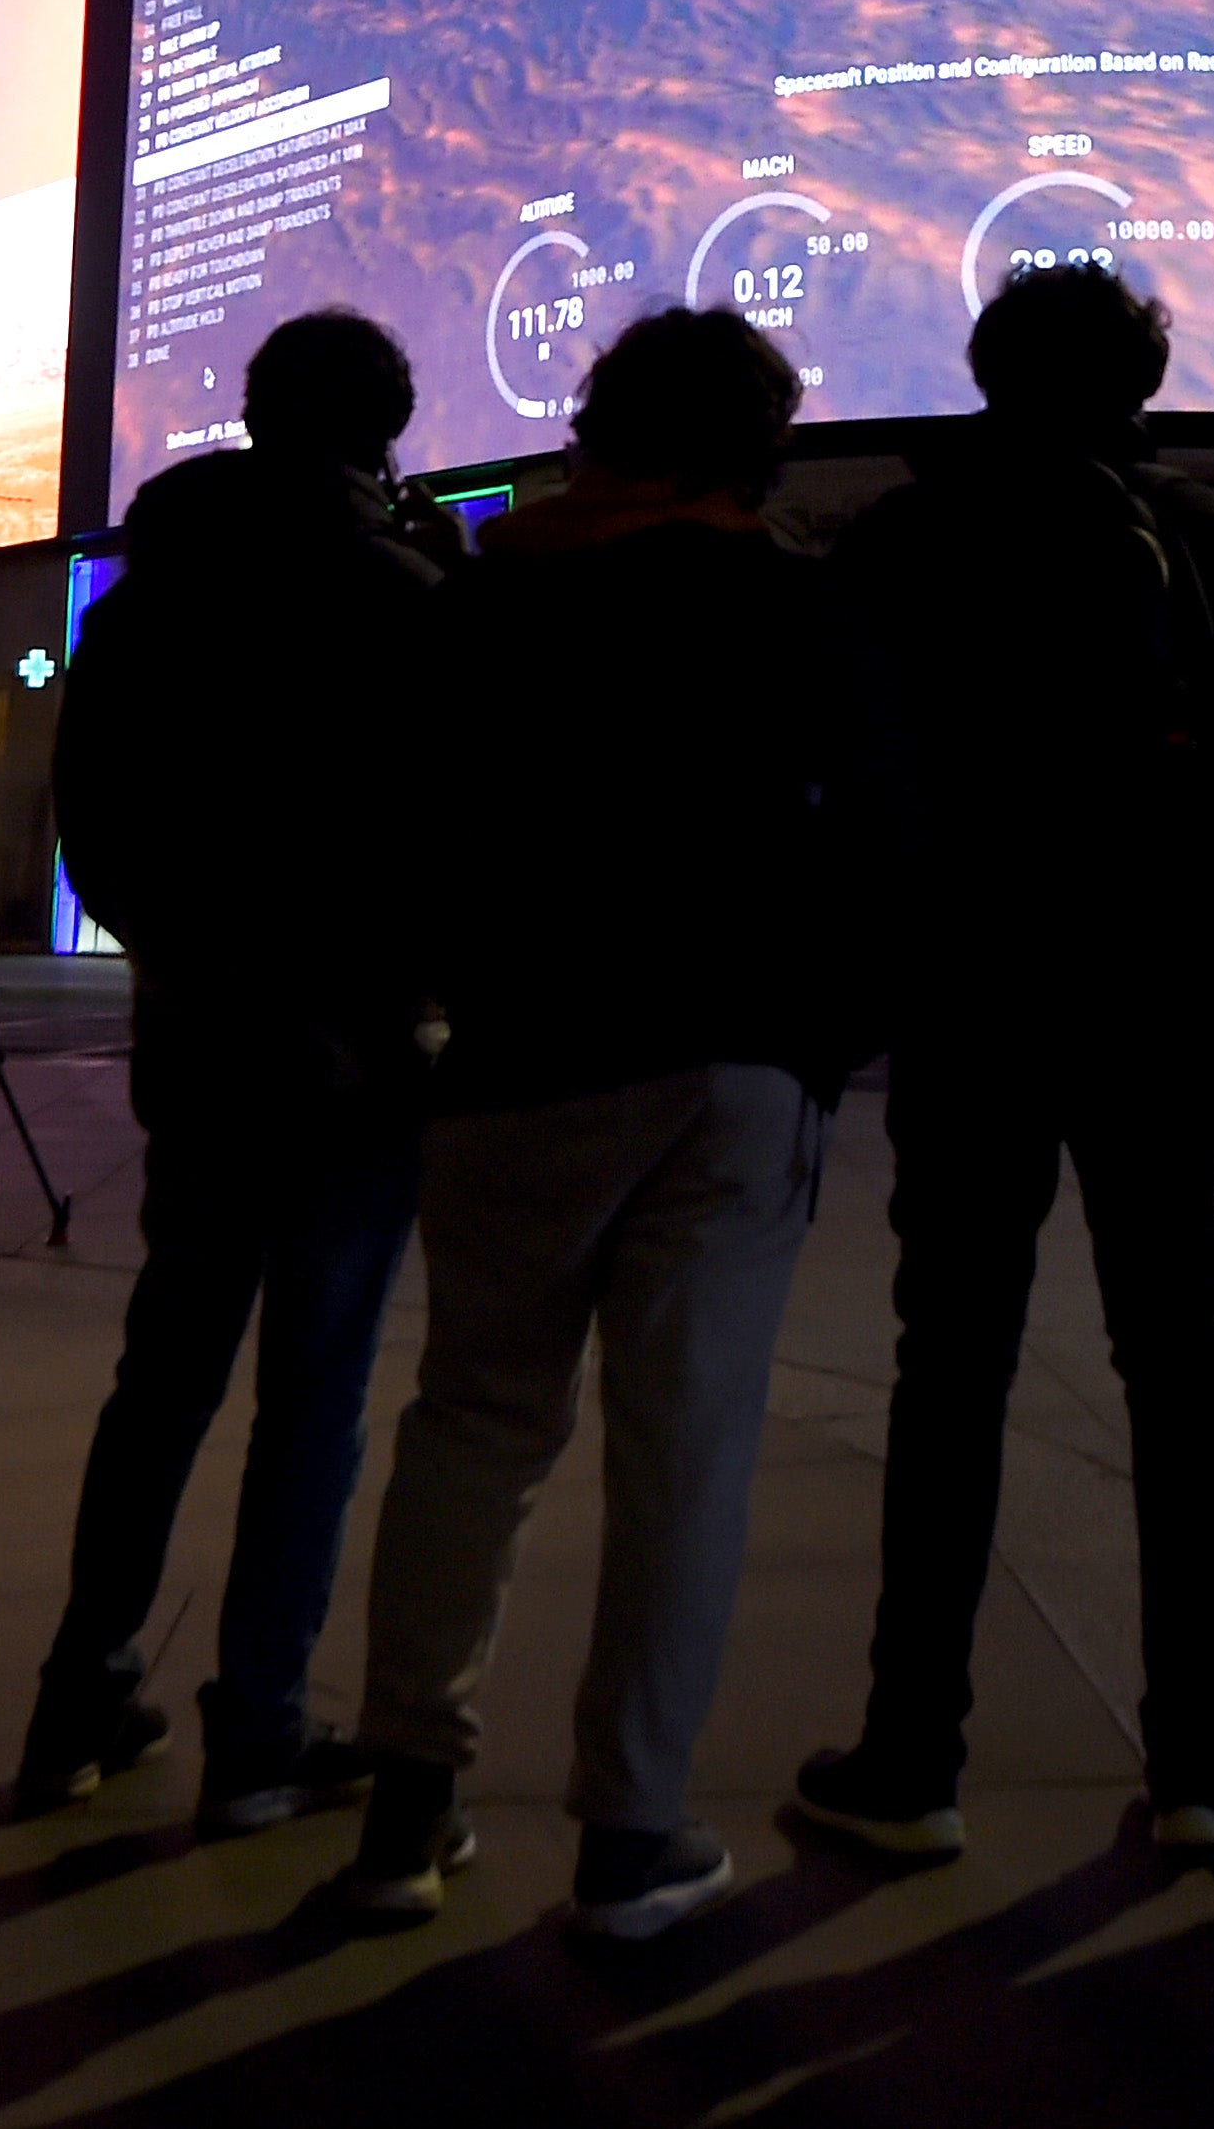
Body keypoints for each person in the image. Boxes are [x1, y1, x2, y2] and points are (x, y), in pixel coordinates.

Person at [334, 308, 848, 1944]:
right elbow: (879, 843)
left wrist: (422, 1006)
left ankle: (408, 1810)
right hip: (735, 1064)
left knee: (474, 1419)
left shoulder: (488, 594)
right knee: (682, 1452)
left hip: (520, 1058)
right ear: (753, 447)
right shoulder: (796, 601)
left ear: (598, 424)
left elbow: (397, 825)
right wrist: (828, 1035)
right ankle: (632, 1828)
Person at [787, 264, 1214, 1865]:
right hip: (1157, 1010)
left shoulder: (901, 537)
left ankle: (914, 1752)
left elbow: (851, 780)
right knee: (1182, 1355)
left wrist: (881, 977)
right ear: (1144, 386)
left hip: (972, 1005)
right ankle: (1203, 1764)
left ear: (985, 369)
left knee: (951, 1367)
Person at [15, 309, 457, 1828]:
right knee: (311, 1399)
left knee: (164, 1375)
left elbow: (97, 828)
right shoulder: (405, 593)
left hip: (201, 1041)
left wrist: (193, 960)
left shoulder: (146, 600)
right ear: (385, 430)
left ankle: (80, 1690)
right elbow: (453, 832)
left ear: (255, 414)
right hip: (352, 1059)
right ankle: (258, 1729)